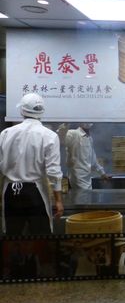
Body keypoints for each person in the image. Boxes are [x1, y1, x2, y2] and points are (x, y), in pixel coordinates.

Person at [0, 93, 63, 234]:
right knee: (40, 237)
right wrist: (58, 200)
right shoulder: (49, 136)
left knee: (12, 237)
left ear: (22, 111)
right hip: (35, 192)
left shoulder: (6, 133)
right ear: (42, 112)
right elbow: (53, 171)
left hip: (10, 191)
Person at [65, 123, 110, 190]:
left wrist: (102, 173)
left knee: (87, 195)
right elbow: (61, 137)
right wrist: (64, 125)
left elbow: (93, 160)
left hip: (87, 178)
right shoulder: (73, 134)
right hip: (77, 178)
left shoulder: (89, 138)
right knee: (83, 196)